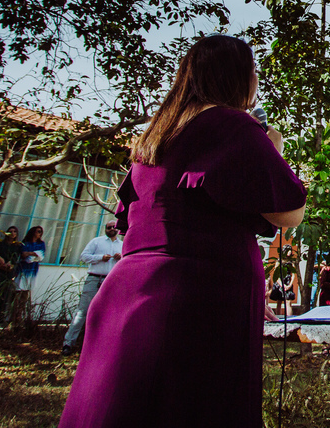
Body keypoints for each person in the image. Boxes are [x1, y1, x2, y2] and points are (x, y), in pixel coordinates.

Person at [57, 35, 305, 428]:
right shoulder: (233, 125)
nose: (256, 79)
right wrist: (273, 148)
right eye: (254, 71)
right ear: (237, 76)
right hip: (200, 298)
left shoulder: (156, 134)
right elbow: (288, 214)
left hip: (129, 292)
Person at [62, 223, 123, 355]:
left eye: (114, 227)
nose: (111, 229)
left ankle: (101, 346)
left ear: (118, 229)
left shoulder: (122, 245)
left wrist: (121, 258)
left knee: (108, 313)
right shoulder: (96, 241)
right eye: (108, 227)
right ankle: (68, 343)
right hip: (94, 279)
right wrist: (100, 257)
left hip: (112, 281)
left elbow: (127, 261)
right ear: (105, 229)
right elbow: (83, 257)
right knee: (82, 311)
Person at [0, 226, 22, 321]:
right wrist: (4, 263)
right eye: (10, 231)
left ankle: (2, 315)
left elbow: (16, 257)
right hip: (0, 268)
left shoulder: (17, 245)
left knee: (6, 293)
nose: (12, 233)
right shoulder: (1, 243)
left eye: (14, 231)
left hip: (10, 270)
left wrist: (11, 264)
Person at [16, 226, 46, 294]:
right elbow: (23, 254)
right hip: (23, 266)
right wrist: (33, 253)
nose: (40, 233)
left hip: (33, 267)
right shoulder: (25, 243)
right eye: (38, 231)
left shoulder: (41, 243)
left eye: (41, 232)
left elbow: (41, 255)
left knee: (29, 288)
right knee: (19, 286)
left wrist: (30, 253)